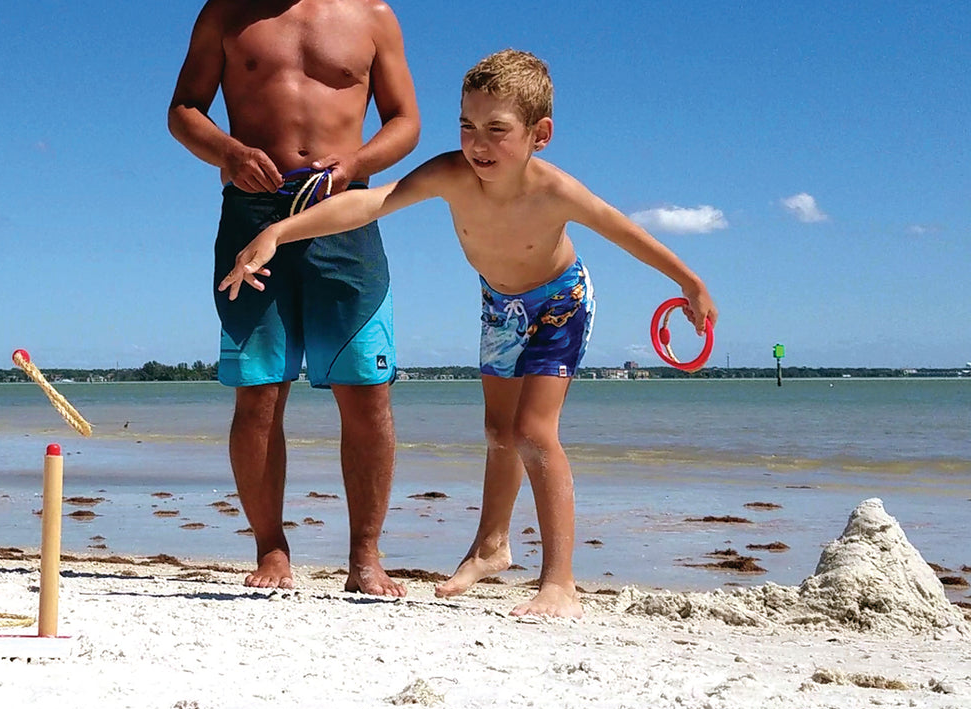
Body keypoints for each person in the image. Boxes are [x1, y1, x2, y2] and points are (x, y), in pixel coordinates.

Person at [220, 49, 717, 618]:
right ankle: (491, 547)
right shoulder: (451, 174)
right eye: (467, 126)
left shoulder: (556, 191)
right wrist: (279, 233)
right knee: (497, 431)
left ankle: (559, 583)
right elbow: (369, 202)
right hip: (499, 306)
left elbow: (626, 233)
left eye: (496, 130)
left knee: (532, 432)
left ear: (540, 133)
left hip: (560, 302)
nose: (478, 144)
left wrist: (691, 284)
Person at [168, 0, 421, 595]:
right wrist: (228, 150)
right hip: (251, 215)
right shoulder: (228, 11)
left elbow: (405, 124)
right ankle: (272, 551)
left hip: (345, 216)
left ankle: (365, 559)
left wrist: (355, 165)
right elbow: (183, 109)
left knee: (366, 392)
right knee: (259, 392)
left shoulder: (373, 17)